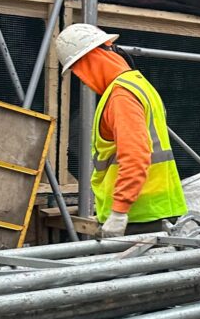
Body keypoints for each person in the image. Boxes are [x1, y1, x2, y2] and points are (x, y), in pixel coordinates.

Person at [55, 23, 187, 237]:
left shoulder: (121, 96)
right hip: (153, 212)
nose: (83, 80)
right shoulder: (139, 85)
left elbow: (135, 156)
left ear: (90, 61)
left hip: (137, 219)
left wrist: (119, 211)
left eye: (78, 72)